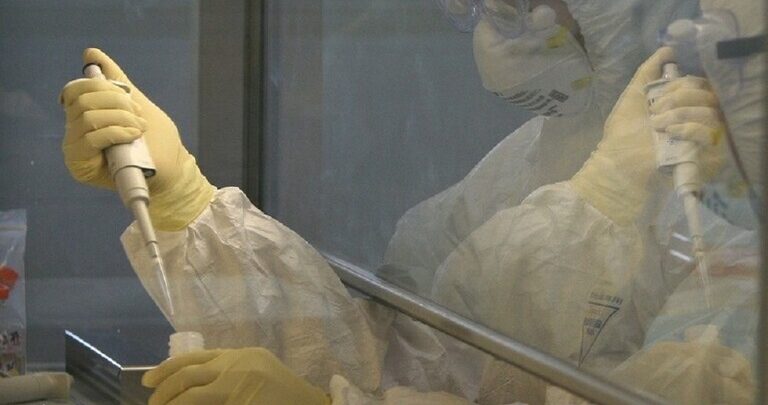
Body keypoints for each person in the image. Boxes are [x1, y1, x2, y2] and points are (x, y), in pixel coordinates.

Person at [59, 0, 759, 403]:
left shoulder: (724, 210)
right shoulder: (531, 162)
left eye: (515, 7)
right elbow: (406, 361)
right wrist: (189, 205)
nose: (488, 31)